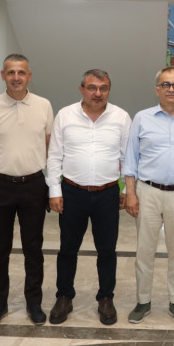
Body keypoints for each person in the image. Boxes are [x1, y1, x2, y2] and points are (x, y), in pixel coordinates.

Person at [46, 69, 132, 325]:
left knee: (107, 250)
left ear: (109, 90)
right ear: (81, 89)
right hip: (72, 192)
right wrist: (54, 191)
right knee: (67, 249)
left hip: (107, 193)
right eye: (92, 87)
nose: (98, 93)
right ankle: (64, 296)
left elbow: (128, 157)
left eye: (103, 88)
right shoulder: (65, 115)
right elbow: (54, 156)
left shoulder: (121, 117)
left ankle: (105, 298)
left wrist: (127, 190)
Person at [0, 54, 53, 328]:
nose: (16, 77)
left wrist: (52, 185)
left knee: (33, 249)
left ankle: (34, 303)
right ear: (3, 75)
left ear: (29, 76)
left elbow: (50, 147)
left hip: (33, 185)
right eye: (11, 72)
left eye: (21, 72)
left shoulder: (43, 105)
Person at [123, 67, 174, 325]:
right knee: (144, 251)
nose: (171, 89)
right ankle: (143, 301)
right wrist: (130, 193)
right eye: (166, 84)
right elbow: (131, 159)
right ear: (157, 89)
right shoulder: (142, 118)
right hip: (147, 192)